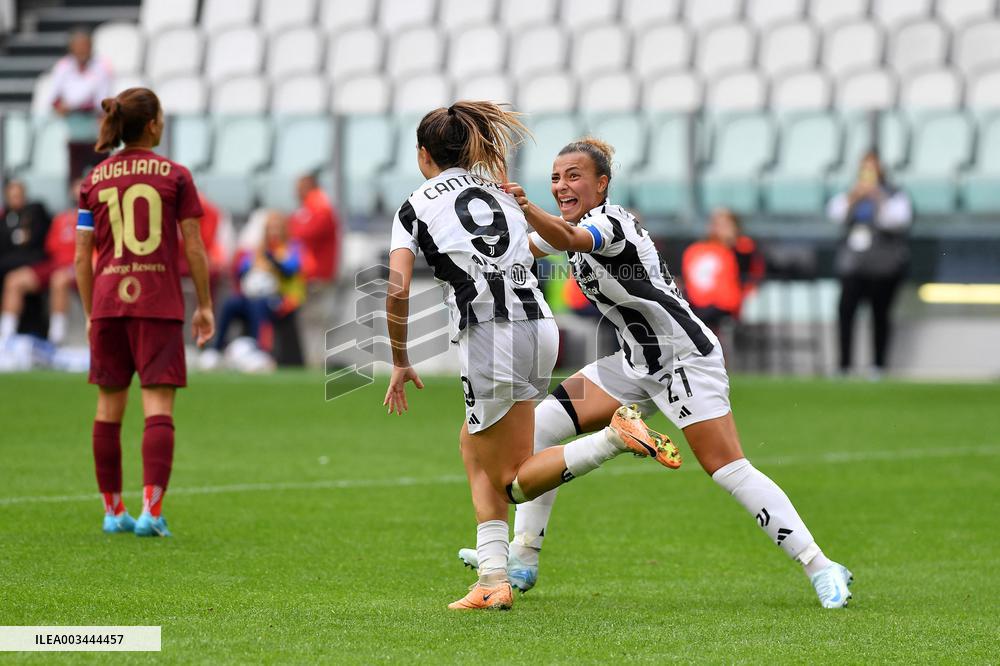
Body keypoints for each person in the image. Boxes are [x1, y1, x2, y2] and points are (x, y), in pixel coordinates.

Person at [458, 137, 853, 609]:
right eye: (556, 178)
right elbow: (520, 250)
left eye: (574, 176)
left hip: (684, 359)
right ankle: (522, 558)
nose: (563, 185)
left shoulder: (612, 222)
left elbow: (567, 240)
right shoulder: (566, 223)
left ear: (602, 183)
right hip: (633, 364)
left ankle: (821, 566)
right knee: (539, 431)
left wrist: (525, 206)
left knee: (726, 468)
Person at [384, 102, 681, 611]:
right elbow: (533, 245)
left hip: (486, 335)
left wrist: (399, 357)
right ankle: (496, 575)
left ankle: (612, 439)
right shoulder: (502, 194)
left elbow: (396, 288)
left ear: (423, 155)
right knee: (480, 449)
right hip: (539, 328)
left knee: (501, 474)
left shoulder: (414, 205)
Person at [76, 87, 214, 537]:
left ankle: (113, 512)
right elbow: (192, 243)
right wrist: (205, 305)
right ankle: (151, 513)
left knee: (108, 408)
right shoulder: (175, 175)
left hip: (109, 302)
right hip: (158, 303)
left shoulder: (93, 179)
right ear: (153, 124)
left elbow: (82, 257)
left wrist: (90, 311)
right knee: (157, 407)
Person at [827, 150, 912, 378]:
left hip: (883, 267)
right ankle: (844, 364)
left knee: (879, 315)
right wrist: (854, 197)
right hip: (853, 265)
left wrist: (878, 197)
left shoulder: (894, 195)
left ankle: (878, 364)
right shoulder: (850, 194)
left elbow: (897, 221)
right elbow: (835, 214)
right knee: (846, 312)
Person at [212, 210, 304, 353]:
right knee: (231, 304)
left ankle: (259, 350)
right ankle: (216, 348)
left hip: (281, 299)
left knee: (257, 306)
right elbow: (241, 268)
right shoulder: (258, 249)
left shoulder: (292, 247)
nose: (274, 232)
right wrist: (252, 266)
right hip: (252, 295)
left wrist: (273, 261)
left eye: (277, 228)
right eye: (271, 228)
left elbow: (291, 268)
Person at [682, 208, 764, 333]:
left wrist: (731, 242)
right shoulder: (696, 249)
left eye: (725, 224)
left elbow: (752, 269)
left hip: (724, 305)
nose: (719, 228)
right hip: (697, 303)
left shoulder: (742, 248)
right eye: (716, 224)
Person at [45, 28, 112, 181]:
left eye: (85, 46)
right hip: (73, 132)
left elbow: (105, 101)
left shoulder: (102, 66)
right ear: (72, 48)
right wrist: (63, 108)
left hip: (96, 133)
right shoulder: (62, 67)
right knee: (75, 181)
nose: (82, 50)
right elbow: (54, 100)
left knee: (102, 178)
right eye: (79, 46)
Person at [0, 180, 52, 343]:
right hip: (7, 268)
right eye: (12, 195)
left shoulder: (36, 211)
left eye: (19, 195)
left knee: (13, 281)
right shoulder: (4, 219)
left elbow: (38, 246)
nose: (16, 199)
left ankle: (6, 339)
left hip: (37, 267)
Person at [288, 174, 339, 283]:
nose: (295, 194)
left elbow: (309, 232)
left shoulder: (319, 207)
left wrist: (289, 229)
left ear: (307, 187)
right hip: (313, 272)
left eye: (298, 189)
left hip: (316, 274)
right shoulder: (313, 206)